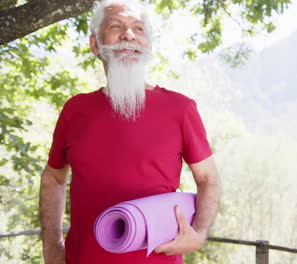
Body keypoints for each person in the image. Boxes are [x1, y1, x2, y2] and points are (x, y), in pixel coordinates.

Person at [39, 0, 221, 263]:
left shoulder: (180, 108)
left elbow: (208, 179)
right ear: (95, 44)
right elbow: (53, 179)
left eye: (138, 28)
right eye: (115, 26)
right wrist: (52, 247)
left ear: (147, 45)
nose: (128, 35)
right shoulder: (74, 110)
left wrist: (200, 232)